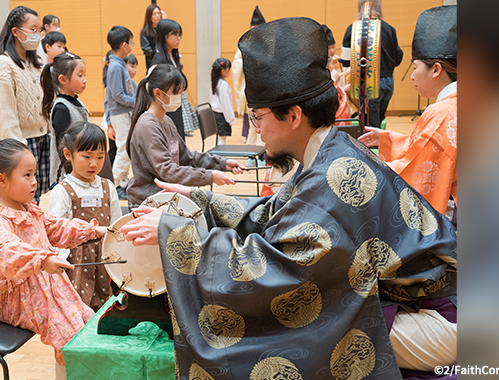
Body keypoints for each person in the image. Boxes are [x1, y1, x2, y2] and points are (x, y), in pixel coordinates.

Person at [117, 17, 456, 379]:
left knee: (308, 334)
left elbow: (277, 268)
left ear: (293, 115)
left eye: (258, 116)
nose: (257, 127)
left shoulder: (336, 177)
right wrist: (199, 198)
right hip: (414, 296)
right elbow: (275, 214)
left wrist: (176, 234)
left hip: (441, 316)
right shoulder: (330, 151)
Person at [0, 139, 107, 379]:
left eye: (34, 174)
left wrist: (97, 231)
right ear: (1, 180)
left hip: (39, 282)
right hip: (11, 296)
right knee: (70, 335)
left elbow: (57, 227)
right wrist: (42, 260)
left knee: (87, 318)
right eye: (27, 175)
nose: (34, 181)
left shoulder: (29, 208)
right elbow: (8, 251)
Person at [359, 5, 456, 219]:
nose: (412, 76)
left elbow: (415, 171)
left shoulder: (441, 114)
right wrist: (387, 138)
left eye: (414, 68)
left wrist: (365, 168)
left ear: (436, 69)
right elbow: (433, 147)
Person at [124, 64, 244, 205]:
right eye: (176, 92)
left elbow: (187, 157)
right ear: (158, 93)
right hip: (148, 200)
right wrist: (209, 175)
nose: (179, 97)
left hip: (165, 198)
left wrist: (222, 164)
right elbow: (168, 170)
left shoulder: (166, 121)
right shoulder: (147, 125)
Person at [46, 123, 121, 310]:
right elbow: (54, 233)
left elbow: (116, 225)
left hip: (106, 260)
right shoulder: (63, 191)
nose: (94, 163)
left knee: (106, 309)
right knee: (78, 310)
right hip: (75, 264)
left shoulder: (107, 187)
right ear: (68, 154)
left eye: (100, 157)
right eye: (87, 157)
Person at [0, 5, 50, 203]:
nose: (37, 35)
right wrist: (18, 151)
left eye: (39, 30)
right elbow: (5, 115)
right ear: (15, 31)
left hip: (42, 139)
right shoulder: (3, 65)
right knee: (22, 198)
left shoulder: (35, 64)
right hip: (23, 143)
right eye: (33, 30)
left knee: (35, 197)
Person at [341, 0, 403, 129]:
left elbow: (346, 61)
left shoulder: (353, 28)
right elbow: (398, 58)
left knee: (370, 126)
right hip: (388, 83)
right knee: (378, 122)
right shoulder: (390, 29)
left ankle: (371, 148)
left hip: (368, 84)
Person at [40, 51, 88, 187]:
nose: (84, 79)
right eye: (80, 75)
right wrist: (74, 175)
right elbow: (63, 147)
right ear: (63, 79)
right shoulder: (61, 109)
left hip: (80, 169)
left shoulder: (77, 102)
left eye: (85, 75)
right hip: (67, 176)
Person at [103, 26, 136, 201]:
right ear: (124, 45)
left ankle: (122, 181)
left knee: (126, 148)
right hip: (120, 114)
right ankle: (116, 184)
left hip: (123, 113)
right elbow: (117, 95)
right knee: (123, 149)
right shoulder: (115, 66)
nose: (132, 46)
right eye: (131, 43)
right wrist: (136, 102)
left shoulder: (118, 64)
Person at [150, 19, 196, 137]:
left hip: (174, 107)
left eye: (179, 34)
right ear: (164, 36)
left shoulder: (173, 57)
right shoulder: (159, 60)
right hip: (166, 111)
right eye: (174, 34)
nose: (178, 37)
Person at [234, 6, 266, 149]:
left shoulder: (269, 46)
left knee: (265, 119)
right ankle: (252, 150)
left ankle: (262, 149)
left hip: (266, 88)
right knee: (253, 120)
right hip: (251, 87)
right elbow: (236, 67)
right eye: (253, 28)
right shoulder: (244, 45)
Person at [208, 58, 235, 145]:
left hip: (216, 114)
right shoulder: (223, 85)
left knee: (220, 138)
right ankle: (222, 158)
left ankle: (220, 157)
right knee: (222, 139)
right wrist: (230, 119)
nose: (230, 72)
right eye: (228, 69)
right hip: (222, 116)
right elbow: (226, 104)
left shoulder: (216, 82)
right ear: (223, 71)